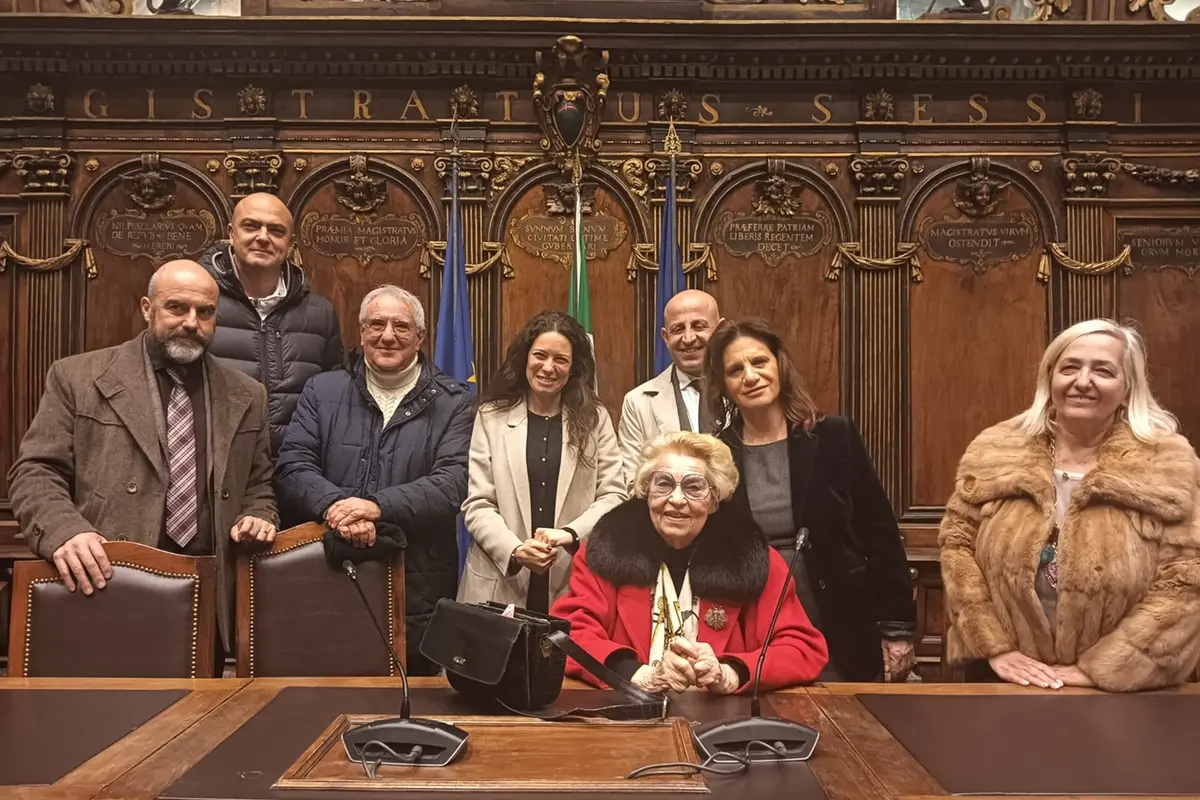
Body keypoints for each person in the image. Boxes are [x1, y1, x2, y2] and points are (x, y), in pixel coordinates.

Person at [8, 260, 278, 655]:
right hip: (106, 582)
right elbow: (35, 471)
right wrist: (64, 531)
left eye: (205, 312)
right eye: (177, 307)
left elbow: (259, 485)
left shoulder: (248, 394)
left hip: (209, 597)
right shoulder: (78, 378)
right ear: (147, 308)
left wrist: (259, 514)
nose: (192, 322)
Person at [940, 319, 1200, 692]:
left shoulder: (1166, 465)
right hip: (1007, 681)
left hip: (1124, 696)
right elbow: (957, 549)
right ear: (1050, 379)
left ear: (1127, 389)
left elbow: (1186, 580)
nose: (1083, 381)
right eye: (1070, 367)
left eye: (1103, 371)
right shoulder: (995, 453)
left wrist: (1106, 669)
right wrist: (993, 647)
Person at [274, 285, 474, 674]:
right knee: (323, 685)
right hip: (329, 570)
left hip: (418, 584)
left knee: (413, 691)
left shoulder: (454, 401)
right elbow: (293, 465)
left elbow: (453, 482)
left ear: (420, 336)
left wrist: (376, 507)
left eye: (401, 326)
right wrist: (338, 508)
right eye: (377, 324)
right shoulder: (322, 389)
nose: (387, 335)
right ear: (362, 330)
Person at [704, 317, 917, 682]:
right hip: (758, 624)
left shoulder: (833, 436)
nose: (750, 377)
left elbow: (879, 532)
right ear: (724, 385)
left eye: (759, 362)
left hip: (841, 618)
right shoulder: (717, 453)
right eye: (735, 370)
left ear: (779, 365)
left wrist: (897, 628)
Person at [552, 431, 828, 693]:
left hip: (724, 716)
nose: (676, 499)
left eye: (694, 487)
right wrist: (637, 675)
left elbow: (801, 648)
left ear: (715, 500)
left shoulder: (753, 559)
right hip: (628, 710)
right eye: (663, 484)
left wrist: (730, 673)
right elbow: (567, 636)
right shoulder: (606, 552)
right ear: (646, 492)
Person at [459, 309, 625, 613]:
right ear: (525, 357)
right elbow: (478, 503)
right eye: (540, 355)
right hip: (500, 581)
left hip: (571, 580)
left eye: (561, 359)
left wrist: (571, 534)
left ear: (573, 367)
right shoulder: (491, 416)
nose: (548, 367)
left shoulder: (595, 419)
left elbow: (613, 495)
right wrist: (515, 549)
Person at [199, 192, 343, 453]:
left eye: (276, 230)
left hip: (294, 464)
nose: (263, 237)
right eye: (251, 226)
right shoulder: (199, 304)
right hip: (218, 461)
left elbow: (334, 399)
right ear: (231, 233)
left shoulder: (320, 314)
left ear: (290, 244)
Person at [617, 290, 723, 487]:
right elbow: (633, 482)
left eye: (699, 326)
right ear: (666, 337)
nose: (688, 338)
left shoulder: (745, 389)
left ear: (719, 330)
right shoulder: (638, 402)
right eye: (678, 329)